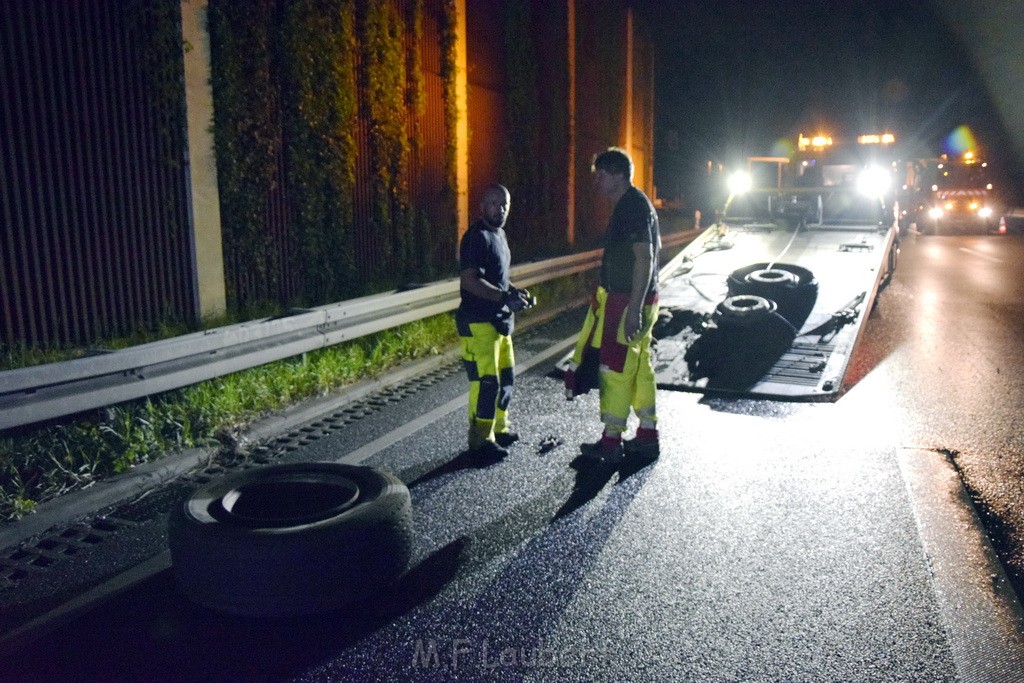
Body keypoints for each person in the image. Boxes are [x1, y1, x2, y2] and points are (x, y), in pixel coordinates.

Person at [565, 148, 661, 465]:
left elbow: (643, 258)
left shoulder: (631, 207)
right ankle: (647, 432)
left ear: (619, 175)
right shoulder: (633, 203)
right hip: (638, 297)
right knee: (639, 367)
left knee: (615, 369)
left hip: (627, 300)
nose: (597, 180)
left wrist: (632, 308)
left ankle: (611, 440)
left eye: (602, 174)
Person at [457, 183, 534, 460]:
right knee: (486, 382)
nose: (499, 209)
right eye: (493, 203)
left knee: (506, 378)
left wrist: (513, 292)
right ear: (481, 206)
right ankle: (480, 440)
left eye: (505, 204)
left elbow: (497, 278)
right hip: (478, 322)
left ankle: (499, 428)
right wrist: (503, 298)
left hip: (500, 322)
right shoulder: (475, 238)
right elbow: (470, 280)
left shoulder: (499, 234)